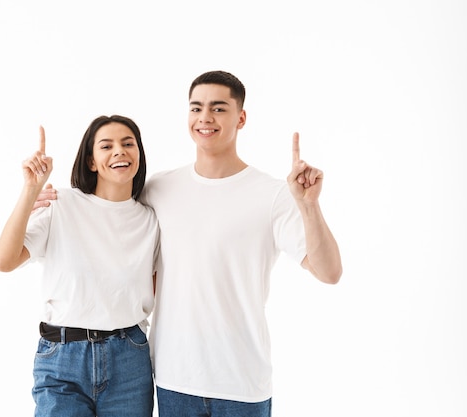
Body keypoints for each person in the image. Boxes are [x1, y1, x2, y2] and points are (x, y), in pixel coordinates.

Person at [33, 71, 343, 417]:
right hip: (174, 381)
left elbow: (329, 272)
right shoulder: (159, 189)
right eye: (196, 108)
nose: (205, 118)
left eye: (218, 108)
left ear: (241, 118)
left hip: (242, 383)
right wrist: (45, 199)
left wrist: (309, 205)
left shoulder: (273, 195)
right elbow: (108, 213)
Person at [0, 115, 160, 417]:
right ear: (92, 162)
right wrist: (30, 190)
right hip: (62, 358)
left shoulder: (151, 221)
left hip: (128, 359)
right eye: (106, 146)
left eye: (128, 144)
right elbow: (5, 261)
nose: (119, 151)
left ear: (139, 154)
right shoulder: (62, 204)